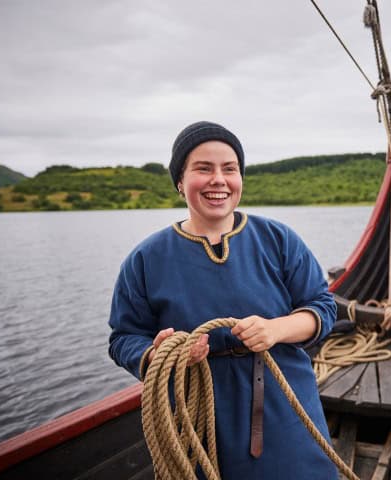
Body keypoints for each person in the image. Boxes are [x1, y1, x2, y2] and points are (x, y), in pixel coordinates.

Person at [108, 121, 338, 479]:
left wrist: (275, 329)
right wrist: (159, 354)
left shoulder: (278, 239)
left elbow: (323, 307)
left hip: (284, 403)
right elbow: (124, 338)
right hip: (197, 415)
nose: (218, 180)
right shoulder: (146, 258)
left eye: (229, 169)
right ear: (180, 181)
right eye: (203, 169)